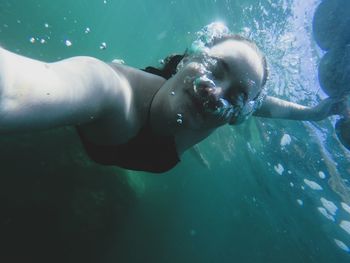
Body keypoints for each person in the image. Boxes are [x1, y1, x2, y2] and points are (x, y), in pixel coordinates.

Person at [0, 23, 343, 173]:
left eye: (238, 96)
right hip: (128, 96)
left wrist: (316, 112)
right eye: (215, 68)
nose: (215, 94)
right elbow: (18, 89)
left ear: (241, 111)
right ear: (191, 56)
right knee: (117, 71)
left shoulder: (228, 111)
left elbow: (264, 106)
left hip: (162, 116)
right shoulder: (109, 90)